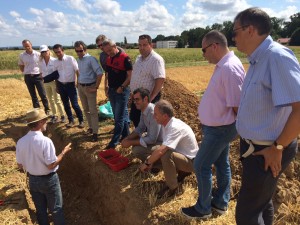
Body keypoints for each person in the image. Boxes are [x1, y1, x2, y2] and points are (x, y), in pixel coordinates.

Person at [232, 7, 300, 225]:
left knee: (246, 214)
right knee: (261, 204)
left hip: (267, 151)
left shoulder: (277, 58)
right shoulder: (257, 59)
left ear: (250, 30)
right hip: (257, 149)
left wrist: (278, 148)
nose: (233, 38)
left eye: (235, 32)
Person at [181, 30, 245, 219]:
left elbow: (237, 106)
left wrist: (234, 130)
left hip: (221, 128)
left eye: (203, 50)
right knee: (221, 163)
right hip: (217, 127)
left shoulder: (229, 68)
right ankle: (220, 203)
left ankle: (203, 209)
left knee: (201, 165)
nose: (203, 54)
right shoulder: (224, 65)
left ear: (214, 46)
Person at [16, 108, 72, 225]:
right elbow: (51, 165)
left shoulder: (21, 142)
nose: (46, 122)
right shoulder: (45, 141)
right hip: (49, 180)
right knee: (56, 210)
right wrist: (63, 153)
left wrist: (32, 165)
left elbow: (20, 165)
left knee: (41, 211)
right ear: (40, 122)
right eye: (45, 120)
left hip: (33, 180)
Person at [139, 100, 198, 199]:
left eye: (156, 114)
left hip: (192, 162)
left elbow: (162, 150)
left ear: (165, 116)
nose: (154, 117)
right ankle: (181, 173)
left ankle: (172, 187)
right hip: (183, 156)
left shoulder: (174, 127)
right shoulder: (167, 124)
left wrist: (148, 162)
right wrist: (151, 159)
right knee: (158, 152)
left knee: (165, 154)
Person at [130, 34, 166, 127]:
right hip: (137, 97)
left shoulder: (156, 60)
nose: (142, 48)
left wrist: (151, 97)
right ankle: (141, 139)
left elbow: (160, 79)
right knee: (135, 118)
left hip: (148, 98)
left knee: (149, 123)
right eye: (140, 45)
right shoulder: (138, 58)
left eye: (145, 45)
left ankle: (149, 140)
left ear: (151, 45)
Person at [102, 39, 132, 149]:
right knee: (119, 116)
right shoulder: (109, 59)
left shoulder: (125, 58)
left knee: (118, 118)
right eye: (106, 51)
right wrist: (107, 87)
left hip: (122, 91)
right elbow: (108, 74)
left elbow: (130, 76)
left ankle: (113, 143)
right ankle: (126, 136)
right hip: (112, 90)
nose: (109, 53)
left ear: (115, 46)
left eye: (110, 50)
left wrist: (122, 87)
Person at [121, 87, 163, 162]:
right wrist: (127, 138)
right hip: (155, 138)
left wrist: (130, 142)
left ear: (145, 99)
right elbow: (140, 128)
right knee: (135, 140)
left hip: (163, 143)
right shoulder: (144, 109)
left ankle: (156, 164)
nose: (135, 102)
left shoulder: (153, 113)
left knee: (136, 150)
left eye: (137, 99)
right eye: (134, 99)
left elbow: (152, 139)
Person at [74, 41, 104, 142]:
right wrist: (78, 83)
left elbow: (100, 73)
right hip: (81, 87)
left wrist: (95, 87)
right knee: (86, 109)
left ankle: (95, 133)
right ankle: (91, 127)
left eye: (81, 50)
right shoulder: (78, 60)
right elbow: (79, 73)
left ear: (85, 49)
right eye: (77, 51)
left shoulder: (91, 59)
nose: (79, 53)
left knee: (93, 111)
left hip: (90, 87)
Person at [52, 44, 84, 128]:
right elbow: (56, 75)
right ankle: (71, 120)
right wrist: (57, 86)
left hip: (71, 85)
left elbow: (77, 71)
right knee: (65, 104)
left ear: (62, 50)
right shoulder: (55, 62)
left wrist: (78, 82)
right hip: (61, 85)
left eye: (59, 52)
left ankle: (81, 120)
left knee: (74, 104)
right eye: (56, 52)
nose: (58, 54)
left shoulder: (70, 59)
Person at [18, 40, 50, 113]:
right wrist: (26, 72)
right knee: (33, 95)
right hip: (28, 77)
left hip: (38, 76)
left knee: (42, 94)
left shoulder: (38, 54)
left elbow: (43, 64)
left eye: (28, 45)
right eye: (25, 46)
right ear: (23, 46)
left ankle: (47, 109)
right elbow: (21, 65)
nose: (27, 47)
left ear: (31, 45)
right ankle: (37, 110)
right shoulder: (22, 55)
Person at [39, 45, 65, 123]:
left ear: (48, 51)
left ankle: (62, 115)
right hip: (46, 83)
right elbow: (41, 72)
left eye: (45, 51)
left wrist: (58, 84)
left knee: (57, 99)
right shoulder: (40, 62)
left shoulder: (54, 60)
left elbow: (57, 73)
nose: (44, 53)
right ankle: (54, 115)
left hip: (54, 82)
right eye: (42, 52)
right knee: (50, 99)